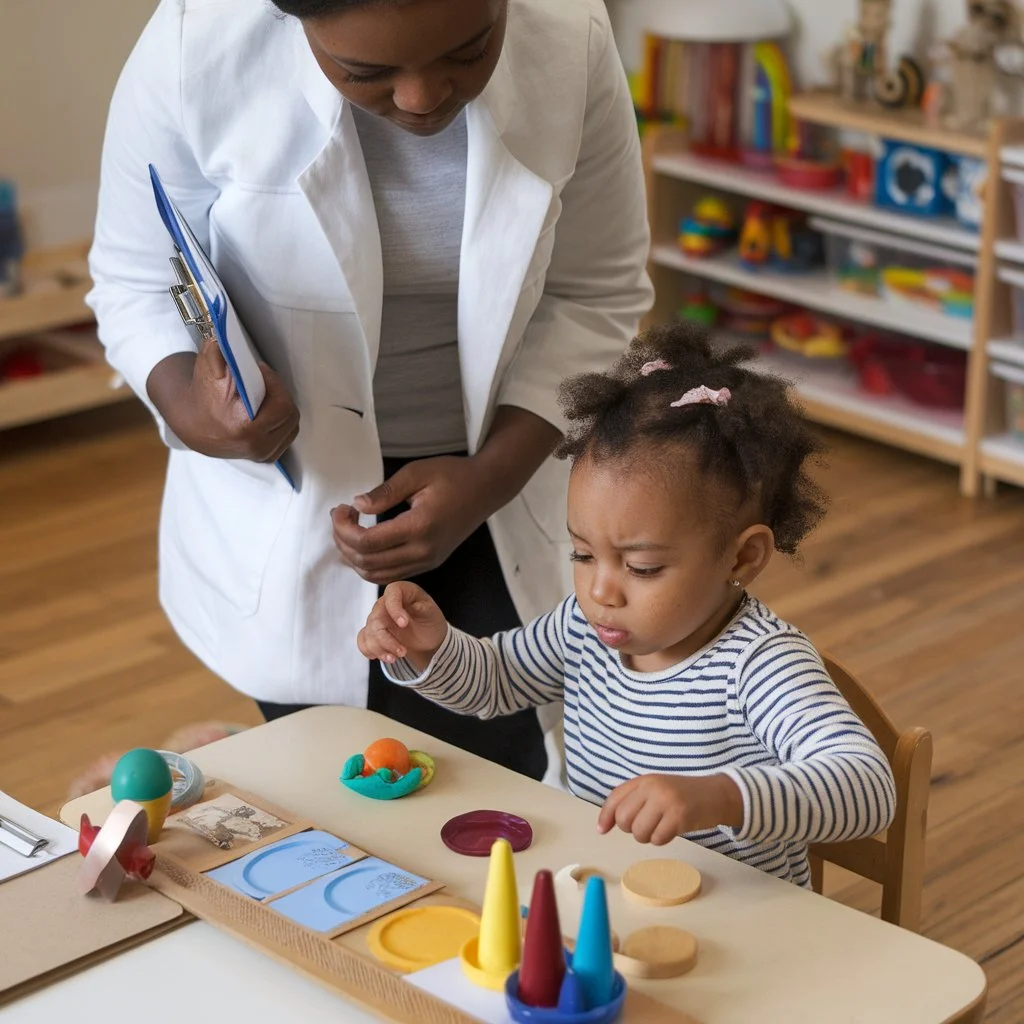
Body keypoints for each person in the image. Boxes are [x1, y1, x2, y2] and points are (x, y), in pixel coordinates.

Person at [86, 0, 652, 786]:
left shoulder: (571, 34)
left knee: (497, 777)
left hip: (502, 471)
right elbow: (132, 280)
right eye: (366, 72)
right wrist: (199, 413)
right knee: (324, 783)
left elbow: (597, 291)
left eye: (469, 48)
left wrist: (488, 478)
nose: (422, 98)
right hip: (290, 501)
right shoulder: (195, 47)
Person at [358, 323, 897, 886]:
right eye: (584, 554)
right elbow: (496, 681)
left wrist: (720, 797)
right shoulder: (583, 626)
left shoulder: (758, 666)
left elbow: (867, 787)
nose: (601, 591)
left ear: (742, 559)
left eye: (642, 568)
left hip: (737, 926)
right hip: (603, 891)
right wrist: (430, 650)